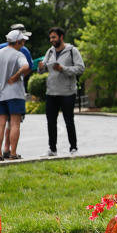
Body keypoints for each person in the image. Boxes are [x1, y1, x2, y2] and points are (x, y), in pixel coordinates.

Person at [37, 26, 84, 156]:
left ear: (61, 37)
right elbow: (43, 70)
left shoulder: (72, 51)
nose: (51, 40)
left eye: (54, 37)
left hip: (67, 93)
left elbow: (80, 68)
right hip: (51, 93)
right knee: (51, 122)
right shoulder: (50, 52)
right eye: (50, 38)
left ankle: (73, 148)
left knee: (69, 121)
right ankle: (52, 149)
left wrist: (63, 69)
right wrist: (41, 67)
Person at [0, 29, 30, 160]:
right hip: (15, 93)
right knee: (15, 123)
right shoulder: (18, 55)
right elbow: (26, 66)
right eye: (22, 41)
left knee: (0, 123)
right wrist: (16, 75)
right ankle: (13, 153)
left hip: (0, 93)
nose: (23, 44)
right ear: (16, 42)